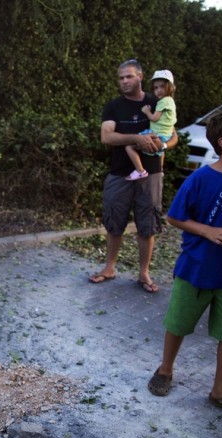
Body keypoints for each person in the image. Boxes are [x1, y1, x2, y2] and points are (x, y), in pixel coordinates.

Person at [147, 109, 222, 421]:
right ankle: (165, 369)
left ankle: (221, 391)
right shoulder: (201, 178)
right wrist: (208, 231)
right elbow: (175, 216)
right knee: (178, 324)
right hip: (196, 267)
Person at [89, 59, 178, 293]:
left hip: (152, 175)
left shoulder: (156, 101)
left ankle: (144, 273)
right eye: (120, 78)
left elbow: (173, 135)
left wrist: (164, 146)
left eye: (128, 76)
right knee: (114, 221)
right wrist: (136, 139)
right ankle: (109, 267)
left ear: (140, 76)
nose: (124, 81)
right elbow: (107, 137)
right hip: (120, 173)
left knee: (148, 224)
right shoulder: (114, 107)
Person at [124, 70, 177, 181]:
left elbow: (154, 118)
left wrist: (147, 111)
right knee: (161, 152)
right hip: (165, 135)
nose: (159, 90)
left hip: (157, 135)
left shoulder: (163, 102)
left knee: (129, 147)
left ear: (169, 86)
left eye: (162, 87)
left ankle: (140, 171)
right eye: (156, 88)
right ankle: (160, 170)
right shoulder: (171, 101)